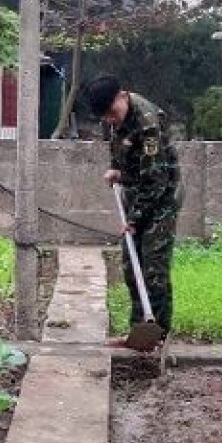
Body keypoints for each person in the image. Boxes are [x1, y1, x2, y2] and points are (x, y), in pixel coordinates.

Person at [83, 75, 179, 340]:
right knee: (130, 263)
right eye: (106, 118)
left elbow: (155, 180)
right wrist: (116, 169)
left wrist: (135, 219)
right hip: (136, 194)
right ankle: (140, 331)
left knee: (153, 267)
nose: (111, 121)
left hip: (162, 199)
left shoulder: (148, 123)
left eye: (113, 114)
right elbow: (119, 147)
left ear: (122, 96)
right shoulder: (115, 117)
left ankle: (158, 334)